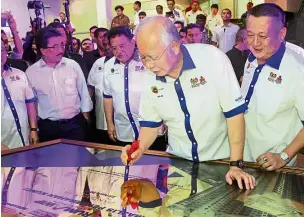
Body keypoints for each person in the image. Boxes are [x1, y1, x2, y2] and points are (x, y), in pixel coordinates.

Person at [121, 16, 256, 190]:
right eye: (143, 57)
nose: (148, 65)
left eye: (153, 57)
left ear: (175, 47)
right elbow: (150, 124)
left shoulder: (212, 59)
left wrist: (236, 164)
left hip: (220, 164)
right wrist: (140, 147)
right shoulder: (150, 77)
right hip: (178, 166)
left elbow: (234, 114)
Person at [241, 3, 304, 170]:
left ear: (281, 34)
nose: (255, 43)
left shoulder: (298, 71)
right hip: (242, 159)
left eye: (262, 36)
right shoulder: (251, 60)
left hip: (273, 167)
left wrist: (283, 156)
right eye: (250, 35)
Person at [103, 27, 166, 151]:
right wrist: (110, 124)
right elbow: (108, 97)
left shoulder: (148, 61)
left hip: (151, 130)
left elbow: (163, 93)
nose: (119, 51)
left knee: (153, 167)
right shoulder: (109, 66)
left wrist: (165, 120)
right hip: (124, 131)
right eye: (114, 48)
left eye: (122, 46)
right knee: (128, 167)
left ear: (133, 42)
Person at [25, 27, 93, 142]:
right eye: (55, 46)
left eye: (62, 45)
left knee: (79, 158)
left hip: (75, 125)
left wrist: (86, 120)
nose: (61, 50)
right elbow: (32, 105)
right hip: (49, 128)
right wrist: (34, 129)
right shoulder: (31, 73)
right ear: (43, 50)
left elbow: (84, 94)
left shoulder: (72, 66)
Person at [1, 39, 38, 149]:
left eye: (2, 50)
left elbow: (30, 104)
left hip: (24, 140)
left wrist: (33, 129)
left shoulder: (20, 74)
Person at [87, 34, 114, 144]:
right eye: (104, 45)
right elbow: (90, 87)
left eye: (109, 45)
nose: (106, 47)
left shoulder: (123, 63)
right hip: (100, 118)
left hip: (120, 121)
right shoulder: (98, 63)